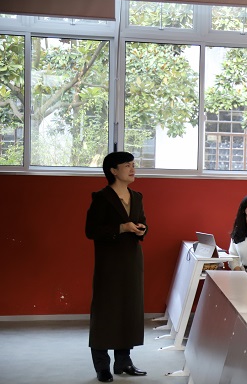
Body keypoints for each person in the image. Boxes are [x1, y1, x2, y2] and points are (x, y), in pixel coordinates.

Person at [85, 152, 148, 383]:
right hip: (109, 263)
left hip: (132, 260)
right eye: (127, 165)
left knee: (128, 310)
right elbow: (91, 231)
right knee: (106, 311)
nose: (132, 169)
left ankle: (123, 361)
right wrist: (121, 228)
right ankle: (102, 366)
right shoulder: (102, 198)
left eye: (133, 165)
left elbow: (143, 221)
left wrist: (142, 229)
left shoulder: (137, 196)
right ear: (113, 170)